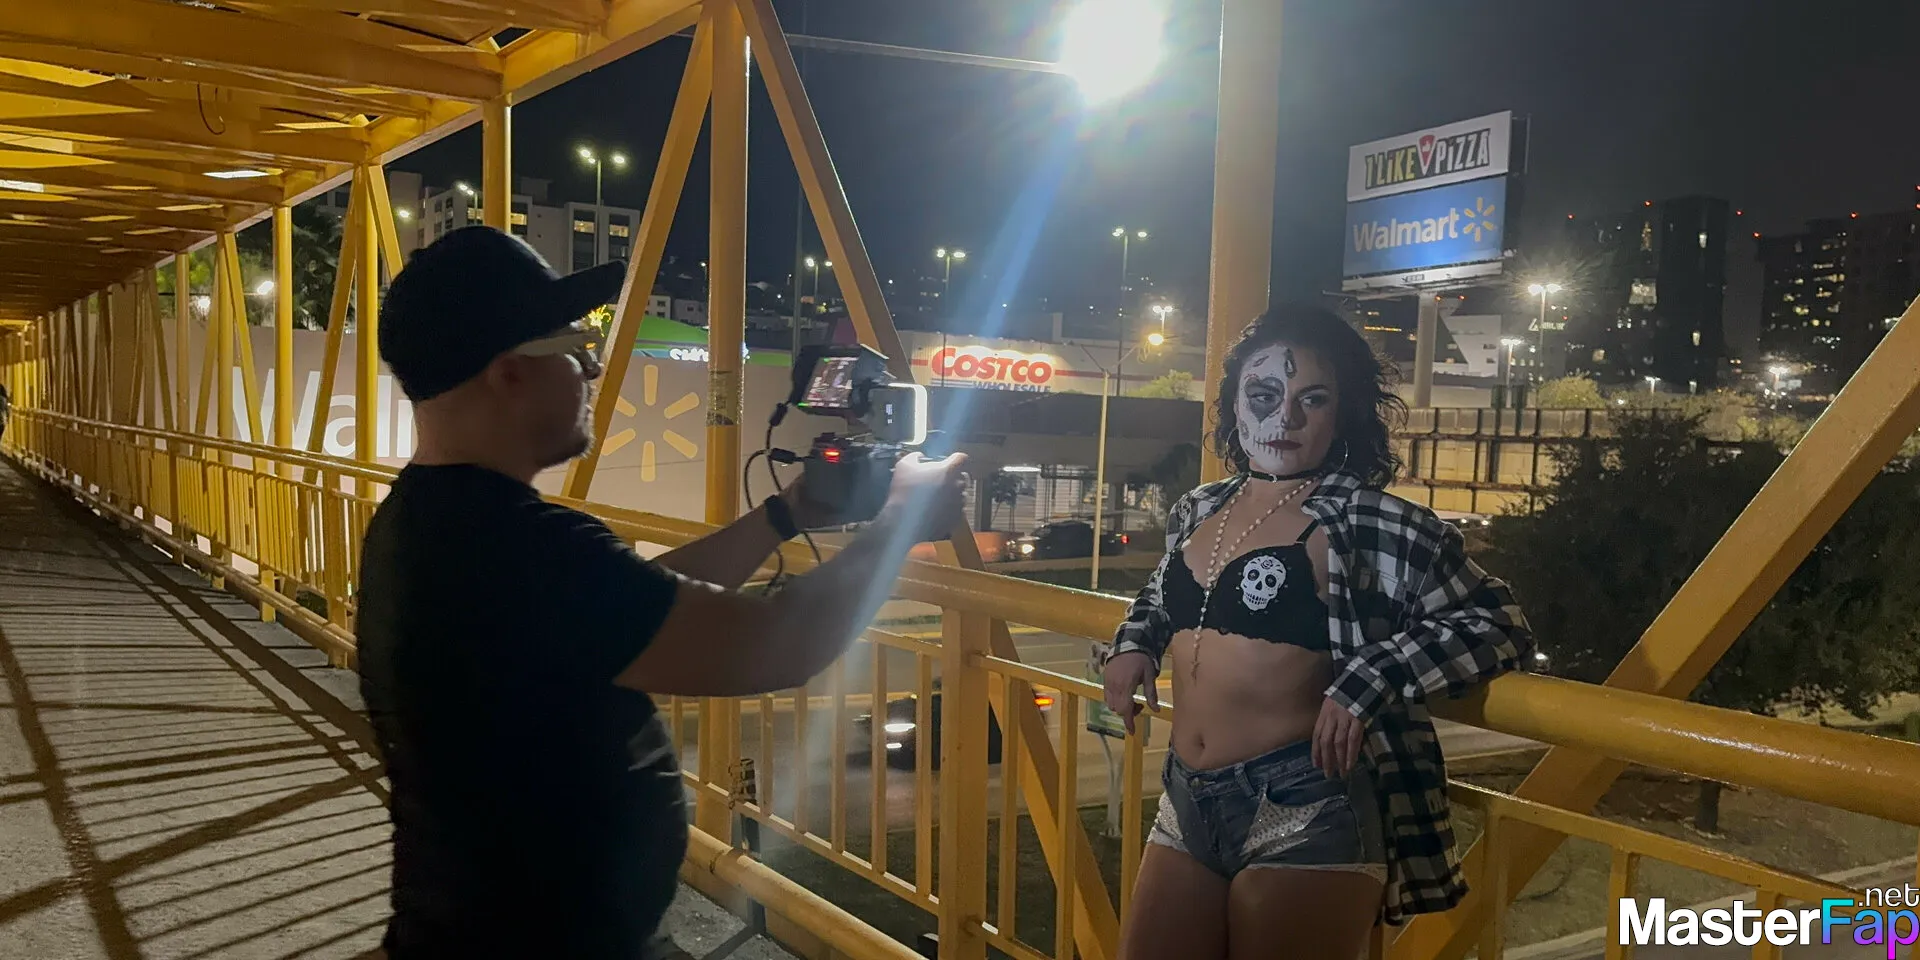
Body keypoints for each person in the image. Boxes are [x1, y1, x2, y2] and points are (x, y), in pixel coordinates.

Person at [355, 226, 967, 960]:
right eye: (575, 347)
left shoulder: (429, 522)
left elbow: (632, 606)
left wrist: (784, 515)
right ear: (510, 373)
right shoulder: (521, 549)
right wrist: (900, 520)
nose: (590, 368)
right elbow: (776, 645)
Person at [1102, 304, 1534, 960]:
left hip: (1308, 805)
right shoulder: (1200, 508)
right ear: (1234, 404)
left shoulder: (1371, 522)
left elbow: (1498, 623)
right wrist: (1135, 641)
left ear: (1343, 413)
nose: (1286, 418)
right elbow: (1167, 596)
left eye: (1313, 399)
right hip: (1187, 797)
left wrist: (1374, 676)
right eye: (1264, 395)